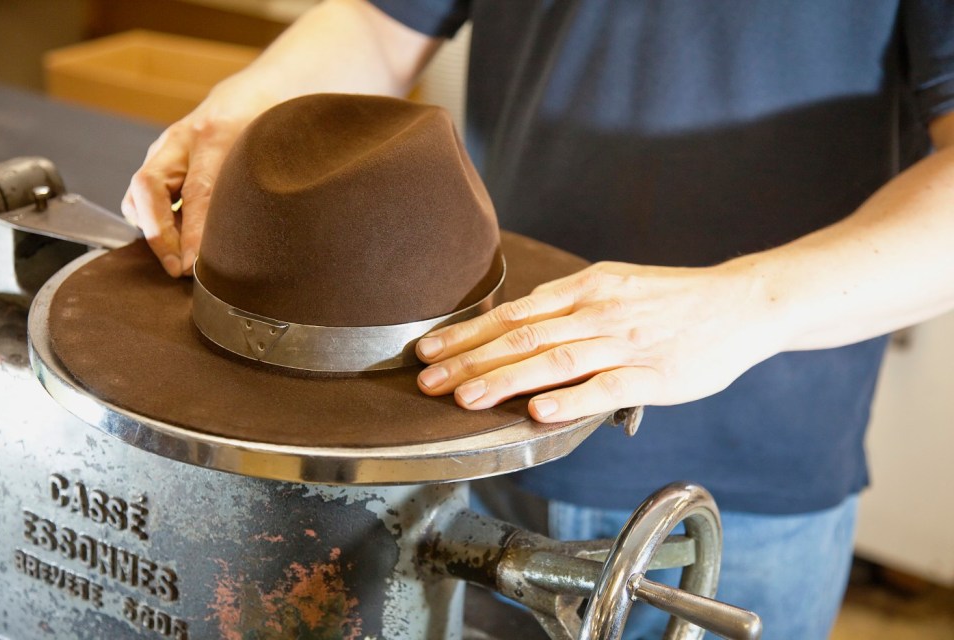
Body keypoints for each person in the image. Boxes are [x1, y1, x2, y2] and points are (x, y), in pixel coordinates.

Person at [123, 1, 954, 637]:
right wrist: (261, 105)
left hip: (741, 471)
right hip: (462, 414)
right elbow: (379, 25)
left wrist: (747, 303)